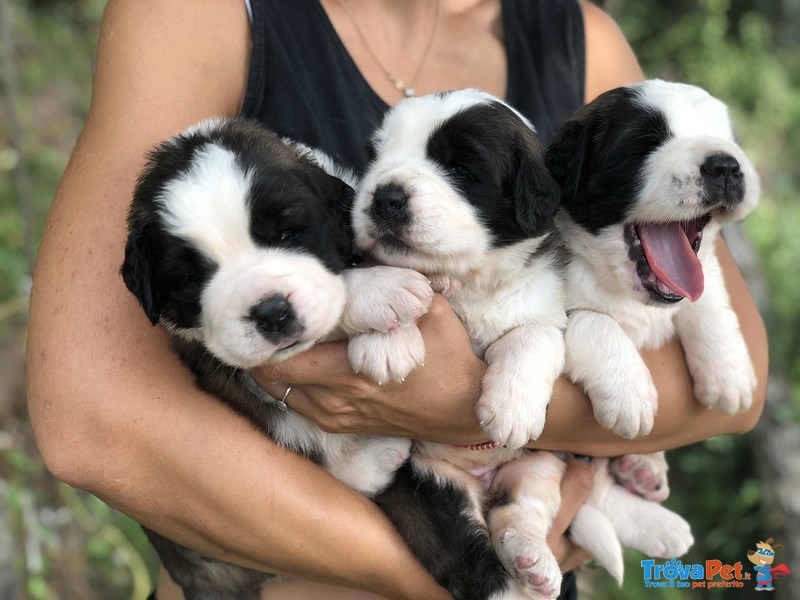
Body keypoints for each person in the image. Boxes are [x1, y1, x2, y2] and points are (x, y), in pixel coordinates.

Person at [25, 0, 767, 598]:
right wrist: (450, 573)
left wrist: (466, 412)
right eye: (377, 158)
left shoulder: (580, 36)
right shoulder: (200, 14)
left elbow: (733, 391)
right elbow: (89, 424)